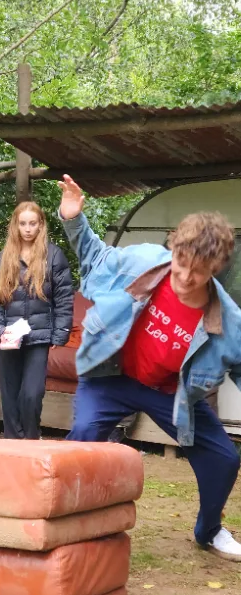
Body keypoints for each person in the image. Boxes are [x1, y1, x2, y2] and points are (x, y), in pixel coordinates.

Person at [58, 173, 241, 561]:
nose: (184, 278)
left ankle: (209, 531)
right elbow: (95, 257)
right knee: (83, 438)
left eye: (198, 272)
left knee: (224, 459)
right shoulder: (144, 262)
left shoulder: (229, 321)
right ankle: (65, 524)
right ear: (173, 249)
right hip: (111, 376)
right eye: (181, 263)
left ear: (216, 269)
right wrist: (74, 218)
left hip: (170, 394)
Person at [0, 201, 73, 439]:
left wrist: (60, 333)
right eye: (23, 223)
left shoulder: (53, 256)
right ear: (16, 226)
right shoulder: (2, 259)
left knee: (31, 394)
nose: (28, 229)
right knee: (10, 396)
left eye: (33, 223)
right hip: (9, 339)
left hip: (39, 337)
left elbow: (64, 299)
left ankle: (32, 439)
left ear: (41, 225)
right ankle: (13, 442)